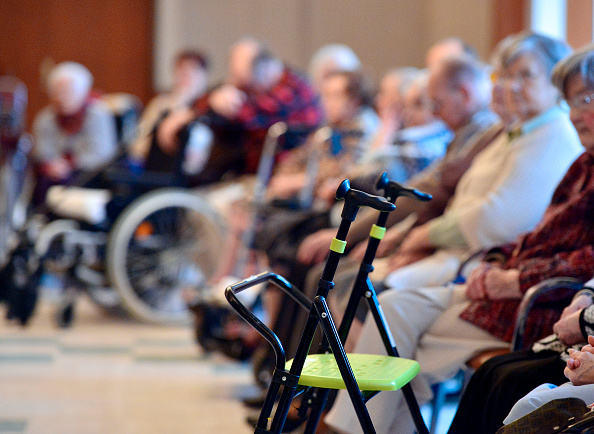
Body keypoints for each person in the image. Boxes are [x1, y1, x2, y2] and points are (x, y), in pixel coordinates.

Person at [324, 32, 585, 434]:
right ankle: (354, 427)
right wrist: (498, 262)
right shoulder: (547, 144)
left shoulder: (552, 137)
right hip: (493, 267)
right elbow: (529, 233)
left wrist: (506, 273)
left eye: (525, 76)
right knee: (392, 308)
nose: (510, 88)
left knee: (397, 330)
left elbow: (501, 219)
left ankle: (352, 428)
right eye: (505, 76)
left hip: (532, 294)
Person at [448, 44, 594, 434]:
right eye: (572, 101)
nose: (576, 114)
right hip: (570, 308)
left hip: (549, 301)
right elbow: (539, 233)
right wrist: (497, 261)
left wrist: (580, 309)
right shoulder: (583, 163)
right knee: (494, 372)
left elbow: (586, 257)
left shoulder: (552, 142)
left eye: (586, 99)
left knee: (507, 381)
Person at [158, 37, 323, 183]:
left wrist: (195, 112)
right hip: (253, 174)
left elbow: (239, 111)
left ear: (263, 69)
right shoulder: (262, 84)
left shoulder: (293, 92)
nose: (236, 86)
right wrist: (189, 112)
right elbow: (221, 98)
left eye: (243, 83)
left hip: (282, 178)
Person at [32, 61, 117, 203]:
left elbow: (101, 153)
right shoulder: (45, 118)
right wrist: (53, 164)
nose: (62, 97)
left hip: (90, 174)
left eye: (68, 91)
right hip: (53, 174)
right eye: (58, 92)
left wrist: (71, 165)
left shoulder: (98, 114)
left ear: (83, 92)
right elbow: (42, 152)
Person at [128, 49, 209, 166]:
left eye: (193, 69)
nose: (186, 74)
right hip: (153, 168)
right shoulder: (160, 104)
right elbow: (138, 146)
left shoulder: (208, 108)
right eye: (181, 69)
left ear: (204, 77)